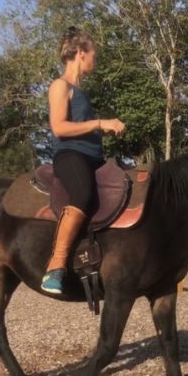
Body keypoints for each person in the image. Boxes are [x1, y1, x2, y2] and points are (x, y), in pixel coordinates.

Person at [41, 27, 126, 295]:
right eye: (93, 54)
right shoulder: (60, 86)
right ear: (80, 54)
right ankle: (55, 268)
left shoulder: (80, 91)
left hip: (93, 158)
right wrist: (100, 122)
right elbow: (59, 128)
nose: (95, 60)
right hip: (70, 156)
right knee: (83, 193)